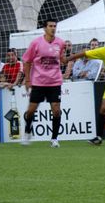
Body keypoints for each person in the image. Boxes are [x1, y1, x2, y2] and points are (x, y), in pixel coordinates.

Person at [21, 19, 69, 148]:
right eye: (50, 26)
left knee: (56, 110)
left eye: (55, 26)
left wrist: (71, 58)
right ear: (44, 28)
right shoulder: (35, 43)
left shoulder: (60, 43)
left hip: (55, 82)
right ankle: (27, 132)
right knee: (31, 111)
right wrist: (27, 80)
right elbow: (27, 61)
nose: (53, 28)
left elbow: (62, 59)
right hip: (39, 82)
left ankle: (54, 139)